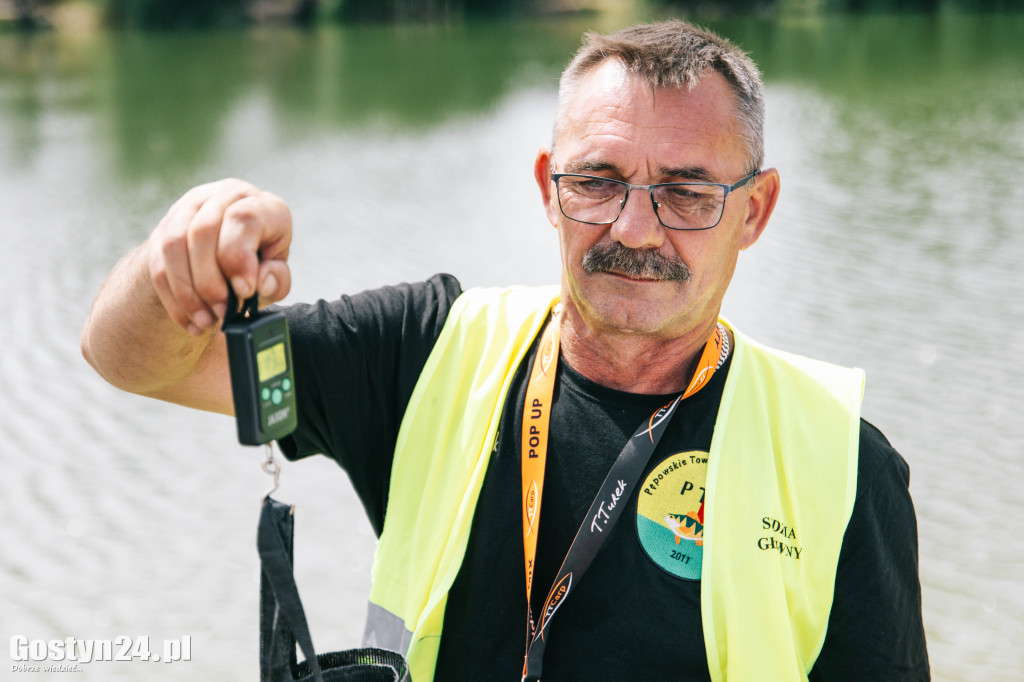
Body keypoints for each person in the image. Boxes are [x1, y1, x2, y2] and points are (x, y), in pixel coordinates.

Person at [81, 20, 930, 682]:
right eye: (597, 181)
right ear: (546, 191)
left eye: (686, 191)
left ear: (755, 211)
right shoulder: (425, 354)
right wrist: (174, 264)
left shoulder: (841, 462)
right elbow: (129, 359)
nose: (636, 228)